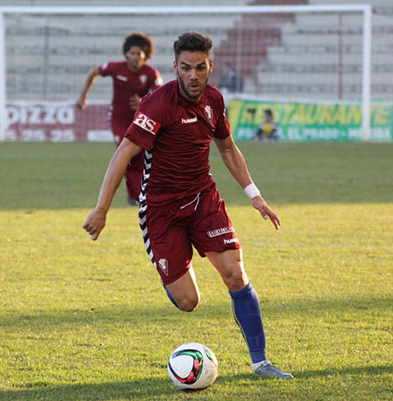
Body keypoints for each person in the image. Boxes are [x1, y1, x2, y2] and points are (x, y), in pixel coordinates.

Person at [83, 32, 292, 379]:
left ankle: (261, 362)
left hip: (202, 199)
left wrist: (254, 194)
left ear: (210, 66)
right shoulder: (158, 104)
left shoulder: (215, 100)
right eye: (185, 68)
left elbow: (226, 148)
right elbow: (123, 154)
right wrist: (102, 209)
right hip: (161, 210)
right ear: (175, 67)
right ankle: (169, 266)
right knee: (188, 302)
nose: (192, 76)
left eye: (199, 68)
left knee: (235, 275)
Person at [76, 32, 163, 205]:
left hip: (141, 121)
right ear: (126, 54)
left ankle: (139, 189)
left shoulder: (151, 73)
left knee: (140, 155)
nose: (135, 57)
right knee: (125, 153)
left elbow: (160, 96)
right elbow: (94, 72)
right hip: (118, 120)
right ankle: (133, 192)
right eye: (132, 53)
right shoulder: (116, 68)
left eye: (139, 53)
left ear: (145, 55)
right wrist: (83, 97)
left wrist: (143, 101)